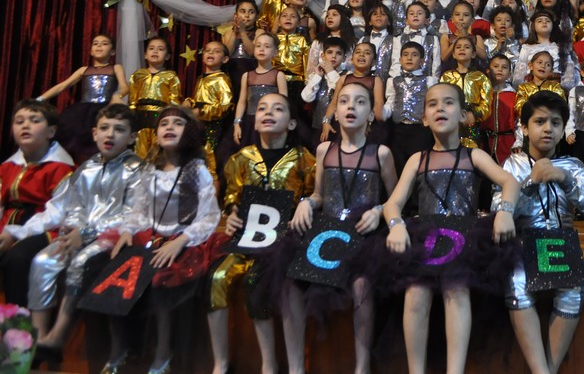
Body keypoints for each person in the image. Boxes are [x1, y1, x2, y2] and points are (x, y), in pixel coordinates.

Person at [382, 83, 521, 374]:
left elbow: (509, 182)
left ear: (462, 115)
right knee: (415, 292)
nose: (440, 109)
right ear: (424, 118)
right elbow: (392, 203)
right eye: (432, 104)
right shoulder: (417, 160)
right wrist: (395, 225)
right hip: (427, 238)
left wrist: (505, 212)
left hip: (465, 238)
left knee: (456, 288)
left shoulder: (474, 155)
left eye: (448, 103)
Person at [0, 104, 142, 371]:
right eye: (104, 128)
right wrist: (72, 231)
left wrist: (84, 233)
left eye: (119, 129)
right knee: (43, 260)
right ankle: (40, 339)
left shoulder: (136, 169)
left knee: (78, 262)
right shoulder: (87, 168)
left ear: (132, 137)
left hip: (113, 237)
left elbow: (132, 214)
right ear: (94, 133)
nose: (110, 134)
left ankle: (57, 336)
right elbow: (74, 207)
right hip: (78, 234)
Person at [289, 81, 398, 374]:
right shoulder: (324, 149)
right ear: (335, 112)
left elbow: (395, 200)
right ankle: (296, 366)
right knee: (290, 281)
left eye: (360, 102)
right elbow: (319, 194)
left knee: (361, 285)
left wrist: (378, 211)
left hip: (362, 235)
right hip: (327, 232)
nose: (351, 106)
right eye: (345, 101)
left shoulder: (381, 153)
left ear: (371, 114)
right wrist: (306, 203)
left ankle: (361, 367)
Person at [494, 91, 584, 374]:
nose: (548, 129)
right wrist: (529, 184)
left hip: (561, 242)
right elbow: (498, 209)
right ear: (524, 127)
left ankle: (549, 370)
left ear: (563, 128)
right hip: (523, 242)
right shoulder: (512, 164)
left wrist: (566, 181)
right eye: (539, 121)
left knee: (573, 288)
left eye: (555, 123)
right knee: (517, 284)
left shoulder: (573, 166)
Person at [208, 93, 315, 374]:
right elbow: (232, 196)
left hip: (285, 242)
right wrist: (231, 213)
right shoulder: (241, 158)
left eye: (277, 109)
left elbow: (313, 195)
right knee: (216, 278)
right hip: (247, 237)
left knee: (257, 281)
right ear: (254, 121)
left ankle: (270, 364)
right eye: (262, 108)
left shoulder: (304, 160)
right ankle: (220, 363)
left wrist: (304, 208)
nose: (268, 113)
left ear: (291, 123)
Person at [112, 107, 221, 374]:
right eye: (164, 124)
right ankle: (122, 349)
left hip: (185, 239)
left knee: (163, 279)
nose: (169, 127)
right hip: (152, 237)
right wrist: (127, 231)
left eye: (177, 123)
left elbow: (209, 216)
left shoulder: (196, 171)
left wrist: (181, 240)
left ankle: (163, 352)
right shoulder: (150, 170)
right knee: (118, 274)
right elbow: (139, 210)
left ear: (189, 132)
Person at [0, 99, 76, 307]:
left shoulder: (61, 169)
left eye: (34, 121)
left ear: (51, 131)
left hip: (44, 228)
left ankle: (17, 320)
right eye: (19, 121)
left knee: (18, 257)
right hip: (8, 224)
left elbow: (56, 213)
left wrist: (15, 234)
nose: (25, 125)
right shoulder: (7, 167)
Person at [38, 33, 128, 162]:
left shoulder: (116, 68)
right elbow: (62, 85)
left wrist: (117, 95)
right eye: (95, 44)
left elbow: (125, 87)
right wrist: (40, 99)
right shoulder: (83, 70)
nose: (99, 46)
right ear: (90, 51)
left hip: (105, 108)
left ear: (113, 51)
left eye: (104, 44)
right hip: (84, 111)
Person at [383, 42, 438, 175]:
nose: (409, 58)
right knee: (398, 166)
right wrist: (380, 113)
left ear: (422, 61)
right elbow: (391, 103)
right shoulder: (393, 81)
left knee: (420, 166)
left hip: (420, 130)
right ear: (400, 59)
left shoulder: (429, 81)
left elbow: (432, 104)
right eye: (406, 55)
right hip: (398, 130)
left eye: (414, 55)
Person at [182, 41, 234, 178]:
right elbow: (199, 98)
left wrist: (202, 112)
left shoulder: (221, 79)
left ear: (225, 59)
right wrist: (189, 101)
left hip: (212, 126)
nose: (211, 53)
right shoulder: (201, 78)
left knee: (209, 158)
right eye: (207, 50)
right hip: (198, 124)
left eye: (216, 51)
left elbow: (225, 105)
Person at [127, 37, 181, 160]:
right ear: (145, 55)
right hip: (140, 118)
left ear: (167, 56)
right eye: (151, 48)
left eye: (160, 49)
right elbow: (132, 99)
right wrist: (131, 116)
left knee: (158, 150)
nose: (155, 51)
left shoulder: (171, 76)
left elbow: (175, 100)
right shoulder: (138, 75)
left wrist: (171, 117)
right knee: (139, 149)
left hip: (160, 117)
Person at [230, 33, 287, 150]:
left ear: (275, 52)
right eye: (258, 46)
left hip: (270, 122)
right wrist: (237, 123)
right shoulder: (247, 76)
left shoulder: (278, 75)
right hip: (250, 124)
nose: (262, 49)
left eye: (267, 46)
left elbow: (284, 103)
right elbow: (242, 102)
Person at [438, 36, 492, 149]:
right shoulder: (446, 77)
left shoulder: (480, 77)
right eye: (458, 47)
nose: (462, 49)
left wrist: (474, 114)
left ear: (473, 54)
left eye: (467, 47)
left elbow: (486, 104)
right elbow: (441, 100)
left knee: (471, 154)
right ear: (453, 54)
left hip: (472, 125)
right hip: (451, 124)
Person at [514, 9, 579, 91]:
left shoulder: (560, 47)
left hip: (556, 89)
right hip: (531, 89)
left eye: (548, 21)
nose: (544, 23)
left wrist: (565, 88)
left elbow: (568, 70)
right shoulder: (526, 48)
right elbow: (519, 75)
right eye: (540, 21)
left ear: (553, 25)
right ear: (533, 26)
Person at [300, 37, 346, 138]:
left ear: (344, 58)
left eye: (339, 53)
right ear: (322, 56)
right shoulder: (318, 76)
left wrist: (330, 72)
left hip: (338, 126)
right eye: (329, 52)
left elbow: (341, 89)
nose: (334, 56)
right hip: (317, 125)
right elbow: (307, 97)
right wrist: (317, 76)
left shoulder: (346, 76)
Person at [388, 2, 441, 80]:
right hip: (403, 80)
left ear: (427, 20)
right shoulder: (399, 39)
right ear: (406, 21)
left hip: (426, 81)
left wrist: (433, 81)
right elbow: (396, 62)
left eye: (419, 13)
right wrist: (397, 81)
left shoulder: (433, 39)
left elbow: (436, 64)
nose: (415, 15)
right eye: (412, 13)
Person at [483, 55, 517, 165]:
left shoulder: (514, 96)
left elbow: (519, 122)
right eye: (496, 66)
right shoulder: (483, 94)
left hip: (508, 144)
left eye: (504, 67)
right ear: (488, 71)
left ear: (509, 74)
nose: (500, 69)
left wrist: (518, 142)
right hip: (485, 143)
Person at [223, 0, 258, 98]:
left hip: (251, 75)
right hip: (232, 74)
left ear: (256, 16)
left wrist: (242, 32)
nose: (247, 15)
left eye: (251, 12)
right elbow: (226, 55)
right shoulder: (228, 34)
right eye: (243, 11)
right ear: (235, 15)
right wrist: (235, 32)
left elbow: (252, 53)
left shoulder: (259, 33)